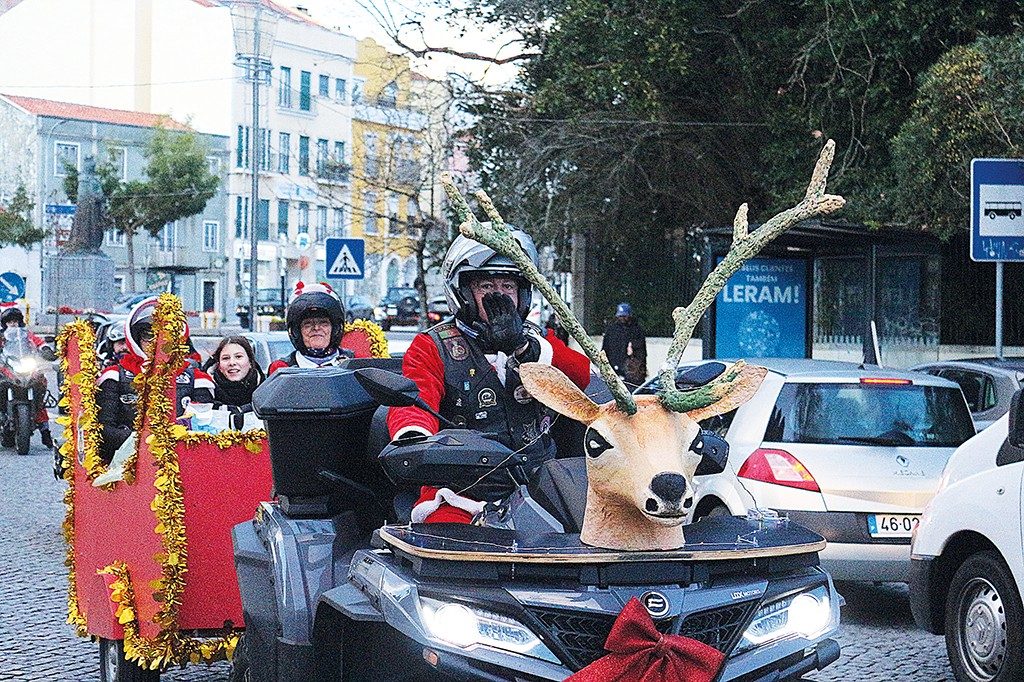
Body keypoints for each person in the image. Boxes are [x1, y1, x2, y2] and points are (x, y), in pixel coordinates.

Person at [387, 229, 592, 524]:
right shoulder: (433, 345)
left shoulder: (539, 341)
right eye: (486, 285)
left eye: (507, 286)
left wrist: (522, 346)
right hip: (462, 488)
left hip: (541, 484)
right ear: (464, 292)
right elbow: (414, 401)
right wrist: (415, 440)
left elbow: (580, 377)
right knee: (446, 539)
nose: (498, 295)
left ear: (522, 294)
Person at [96, 297, 214, 463]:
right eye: (148, 335)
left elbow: (205, 427)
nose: (156, 342)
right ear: (137, 339)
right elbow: (104, 428)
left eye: (164, 335)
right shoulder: (114, 377)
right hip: (128, 465)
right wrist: (143, 444)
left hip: (181, 463)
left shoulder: (196, 378)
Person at [268, 282, 351, 373]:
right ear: (297, 331)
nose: (316, 328)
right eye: (308, 324)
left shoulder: (354, 364)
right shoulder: (281, 368)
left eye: (323, 323)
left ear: (335, 329)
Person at [0, 306, 52, 448]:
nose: (12, 324)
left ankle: (45, 432)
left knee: (39, 391)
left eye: (15, 321)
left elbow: (39, 342)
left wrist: (46, 349)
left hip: (26, 366)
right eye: (9, 322)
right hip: (7, 368)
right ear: (5, 324)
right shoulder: (2, 337)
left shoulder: (27, 335)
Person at [208, 336, 264, 409]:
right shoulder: (207, 390)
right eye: (226, 358)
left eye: (238, 356)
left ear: (250, 362)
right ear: (219, 365)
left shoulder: (266, 390)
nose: (232, 363)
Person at [601, 302, 647, 386]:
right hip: (614, 367)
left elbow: (642, 352)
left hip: (630, 370)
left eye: (624, 316)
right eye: (620, 316)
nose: (622, 318)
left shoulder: (636, 329)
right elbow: (605, 348)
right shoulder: (612, 329)